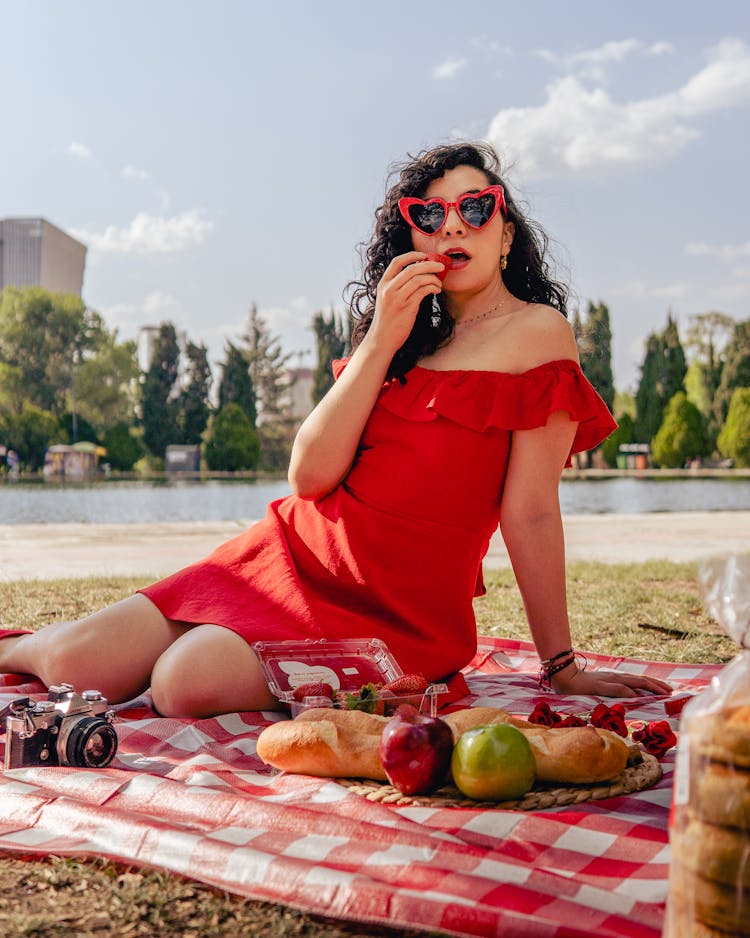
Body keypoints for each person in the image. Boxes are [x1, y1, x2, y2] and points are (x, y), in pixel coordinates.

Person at [0, 141, 672, 716]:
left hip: (401, 615)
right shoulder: (400, 337)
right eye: (429, 215)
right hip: (290, 558)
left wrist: (561, 666)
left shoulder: (539, 333)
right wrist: (381, 339)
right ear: (410, 235)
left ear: (506, 231)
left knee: (182, 683)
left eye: (475, 208)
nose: (452, 227)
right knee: (75, 662)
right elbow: (310, 476)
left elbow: (529, 513)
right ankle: (18, 644)